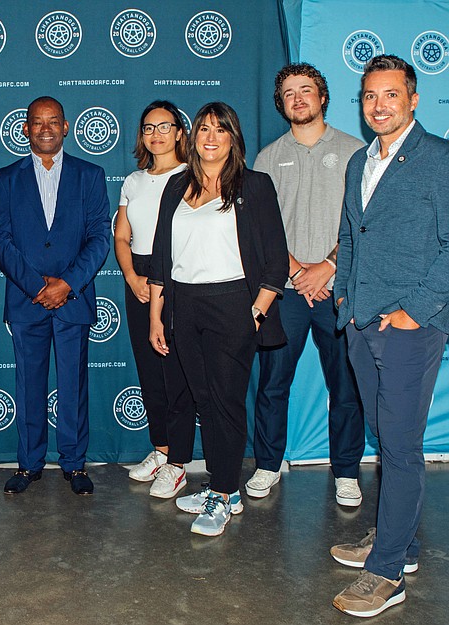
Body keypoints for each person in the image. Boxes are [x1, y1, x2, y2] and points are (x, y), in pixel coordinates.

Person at [330, 55, 449, 618]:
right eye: (369, 96)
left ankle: (385, 575)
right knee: (384, 437)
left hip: (410, 328)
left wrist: (414, 312)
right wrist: (346, 299)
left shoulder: (441, 159)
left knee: (399, 448)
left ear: (414, 99)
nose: (378, 106)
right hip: (361, 320)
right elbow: (353, 234)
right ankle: (399, 545)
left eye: (390, 95)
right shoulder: (358, 162)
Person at [148, 102, 287, 536]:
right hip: (183, 305)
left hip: (232, 304)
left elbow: (276, 261)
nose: (210, 137)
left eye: (220, 130)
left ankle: (224, 495)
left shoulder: (255, 185)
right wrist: (157, 317)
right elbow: (160, 260)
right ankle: (222, 488)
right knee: (205, 401)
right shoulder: (176, 186)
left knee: (226, 403)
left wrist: (256, 312)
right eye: (204, 128)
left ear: (233, 139)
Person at [247, 64, 365, 506]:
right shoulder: (266, 157)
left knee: (347, 386)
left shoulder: (356, 153)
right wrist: (297, 271)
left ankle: (347, 471)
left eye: (306, 91)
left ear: (323, 97)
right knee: (273, 383)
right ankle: (266, 464)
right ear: (281, 103)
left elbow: (362, 222)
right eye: (290, 93)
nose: (298, 99)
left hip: (339, 288)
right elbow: (261, 229)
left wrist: (327, 267)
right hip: (285, 291)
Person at [0, 96, 110, 496]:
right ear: (25, 128)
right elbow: (0, 240)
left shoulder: (90, 174)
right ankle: (28, 464)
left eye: (53, 121)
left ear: (66, 126)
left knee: (73, 384)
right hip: (28, 301)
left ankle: (74, 465)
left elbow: (99, 237)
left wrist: (66, 284)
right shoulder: (7, 177)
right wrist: (38, 287)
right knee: (29, 385)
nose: (45, 128)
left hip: (73, 299)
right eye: (37, 122)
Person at [115, 101, 196, 498]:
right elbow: (121, 236)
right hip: (140, 278)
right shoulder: (133, 180)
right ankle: (161, 449)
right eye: (148, 128)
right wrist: (132, 278)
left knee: (177, 372)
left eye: (165, 126)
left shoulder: (194, 177)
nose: (156, 134)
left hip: (181, 276)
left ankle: (179, 462)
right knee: (150, 370)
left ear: (181, 132)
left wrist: (161, 280)